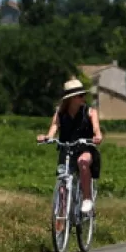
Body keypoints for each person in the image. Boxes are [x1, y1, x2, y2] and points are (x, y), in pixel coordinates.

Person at [37, 79, 103, 214]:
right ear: (71, 99)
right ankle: (61, 221)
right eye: (80, 96)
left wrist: (97, 136)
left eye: (83, 95)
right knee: (62, 182)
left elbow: (97, 129)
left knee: (82, 162)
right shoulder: (60, 113)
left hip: (85, 148)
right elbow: (53, 128)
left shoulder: (90, 112)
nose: (83, 98)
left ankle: (87, 198)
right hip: (66, 149)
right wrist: (47, 137)